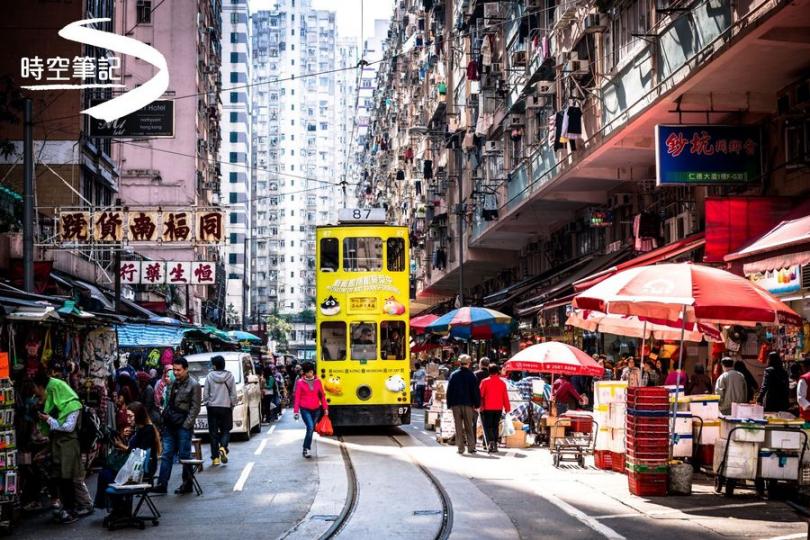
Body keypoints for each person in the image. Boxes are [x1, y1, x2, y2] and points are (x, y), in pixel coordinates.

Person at [32, 370, 90, 524]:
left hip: (68, 446)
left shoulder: (72, 405)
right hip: (58, 446)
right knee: (60, 478)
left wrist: (49, 420)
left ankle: (72, 510)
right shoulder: (56, 405)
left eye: (39, 390)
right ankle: (67, 507)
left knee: (68, 479)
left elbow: (68, 427)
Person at [95, 402, 161, 514]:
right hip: (134, 465)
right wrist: (126, 437)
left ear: (139, 416)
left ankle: (120, 507)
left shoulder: (147, 430)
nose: (128, 419)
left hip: (140, 469)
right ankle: (117, 507)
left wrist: (123, 446)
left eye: (131, 416)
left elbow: (140, 453)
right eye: (128, 416)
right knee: (105, 472)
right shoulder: (139, 429)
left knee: (106, 474)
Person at [156, 357, 201, 495]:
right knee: (166, 454)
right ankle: (162, 484)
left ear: (186, 369)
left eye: (178, 370)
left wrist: (186, 425)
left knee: (184, 455)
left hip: (183, 426)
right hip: (170, 425)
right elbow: (170, 402)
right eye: (174, 369)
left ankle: (187, 484)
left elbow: (195, 408)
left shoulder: (194, 385)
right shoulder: (174, 383)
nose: (175, 372)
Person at [203, 355, 236, 466]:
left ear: (214, 365)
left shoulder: (209, 376)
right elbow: (233, 393)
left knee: (213, 433)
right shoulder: (230, 376)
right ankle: (222, 447)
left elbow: (206, 393)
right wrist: (232, 404)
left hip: (212, 408)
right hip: (226, 407)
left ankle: (215, 458)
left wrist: (207, 403)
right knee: (226, 430)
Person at [445, 354, 480, 455]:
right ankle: (471, 447)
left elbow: (449, 391)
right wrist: (477, 404)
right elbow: (475, 391)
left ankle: (460, 448)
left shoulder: (453, 375)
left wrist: (449, 404)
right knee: (469, 426)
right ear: (469, 363)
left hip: (455, 404)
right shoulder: (472, 375)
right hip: (468, 404)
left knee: (458, 426)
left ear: (459, 363)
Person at [293, 362, 328, 458]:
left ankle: (306, 448)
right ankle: (306, 448)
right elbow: (297, 397)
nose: (310, 374)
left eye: (311, 371)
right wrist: (296, 411)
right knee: (310, 427)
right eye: (308, 372)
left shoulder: (318, 381)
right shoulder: (300, 382)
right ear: (304, 372)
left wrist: (325, 408)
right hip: (305, 409)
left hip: (316, 409)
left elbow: (322, 396)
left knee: (311, 429)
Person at [479, 364, 511, 454]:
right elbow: (505, 397)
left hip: (487, 407)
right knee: (495, 426)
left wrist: (479, 405)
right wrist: (507, 408)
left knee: (488, 426)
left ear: (489, 371)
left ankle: (491, 442)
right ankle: (495, 443)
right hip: (498, 408)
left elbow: (480, 395)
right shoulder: (502, 383)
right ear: (498, 371)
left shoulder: (484, 382)